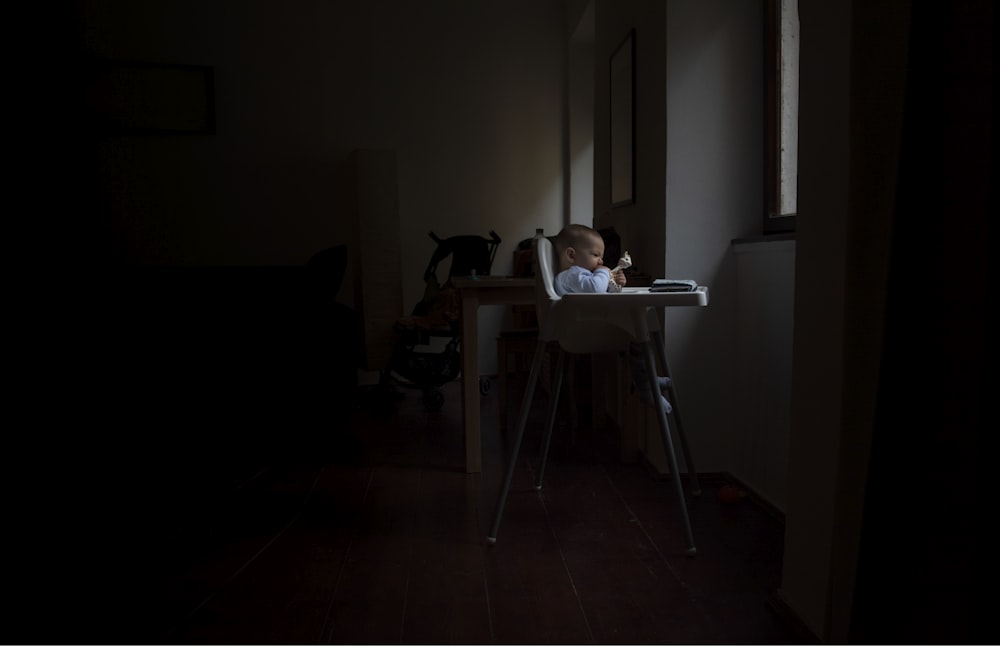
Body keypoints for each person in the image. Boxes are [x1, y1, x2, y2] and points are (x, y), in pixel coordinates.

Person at [552, 224, 673, 413]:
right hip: (583, 330)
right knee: (638, 329)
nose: (600, 261)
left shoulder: (581, 276)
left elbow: (597, 291)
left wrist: (615, 283)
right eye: (595, 255)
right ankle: (645, 384)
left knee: (640, 327)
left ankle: (646, 378)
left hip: (593, 324)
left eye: (601, 257)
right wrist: (604, 273)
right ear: (571, 255)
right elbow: (594, 288)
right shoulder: (569, 276)